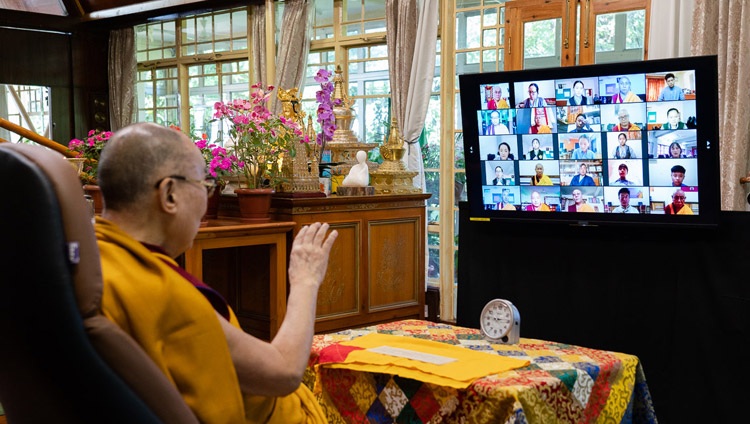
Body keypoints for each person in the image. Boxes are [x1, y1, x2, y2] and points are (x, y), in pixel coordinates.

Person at [95, 122, 338, 423]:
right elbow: (285, 371)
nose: (206, 201)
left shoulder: (90, 258)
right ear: (169, 194)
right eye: (205, 187)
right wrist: (306, 279)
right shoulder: (161, 292)